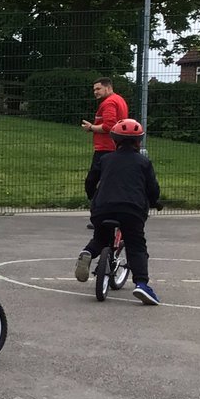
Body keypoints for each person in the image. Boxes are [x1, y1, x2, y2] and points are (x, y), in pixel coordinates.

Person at [73, 118, 161, 305]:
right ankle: (142, 285)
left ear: (114, 140)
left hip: (102, 208)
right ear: (139, 142)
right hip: (132, 210)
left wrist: (93, 198)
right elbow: (152, 189)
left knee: (100, 238)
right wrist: (155, 202)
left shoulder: (105, 159)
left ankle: (87, 252)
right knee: (136, 245)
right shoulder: (144, 162)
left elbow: (90, 180)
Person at [81, 78, 129, 228]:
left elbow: (109, 126)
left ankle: (100, 214)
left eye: (98, 89)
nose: (95, 92)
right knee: (111, 184)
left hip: (105, 149)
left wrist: (91, 128)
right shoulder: (119, 100)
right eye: (94, 89)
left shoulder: (108, 103)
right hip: (115, 148)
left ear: (108, 88)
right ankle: (113, 215)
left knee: (91, 183)